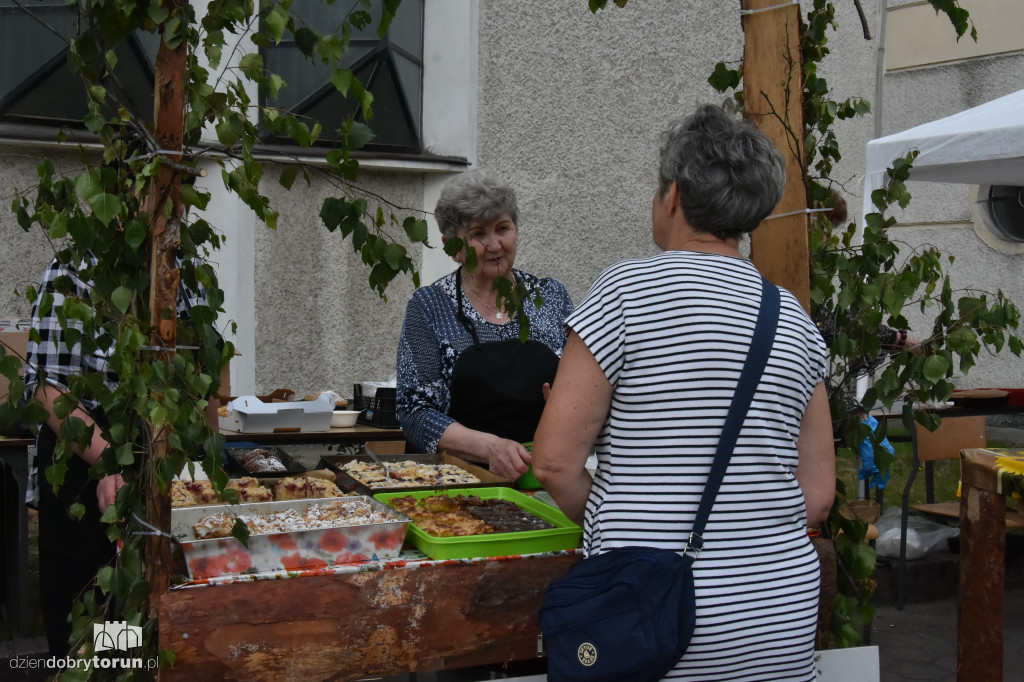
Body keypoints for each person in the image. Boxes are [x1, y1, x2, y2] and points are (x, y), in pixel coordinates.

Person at [532, 104, 836, 681]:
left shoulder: (625, 292)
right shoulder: (793, 318)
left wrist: (617, 519)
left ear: (672, 194)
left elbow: (552, 464)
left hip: (652, 612)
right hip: (779, 611)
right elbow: (817, 496)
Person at [24, 242, 211, 659]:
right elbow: (46, 388)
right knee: (87, 633)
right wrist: (111, 460)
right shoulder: (73, 270)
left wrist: (208, 462)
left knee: (148, 627)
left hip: (162, 453)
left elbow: (204, 374)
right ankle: (94, 661)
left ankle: (133, 659)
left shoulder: (189, 269)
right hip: (84, 461)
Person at [396, 170, 574, 481]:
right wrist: (490, 448)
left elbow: (579, 386)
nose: (494, 245)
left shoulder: (551, 297)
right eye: (478, 233)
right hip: (456, 485)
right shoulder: (430, 307)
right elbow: (414, 412)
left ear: (516, 231)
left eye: (502, 228)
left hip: (541, 479)